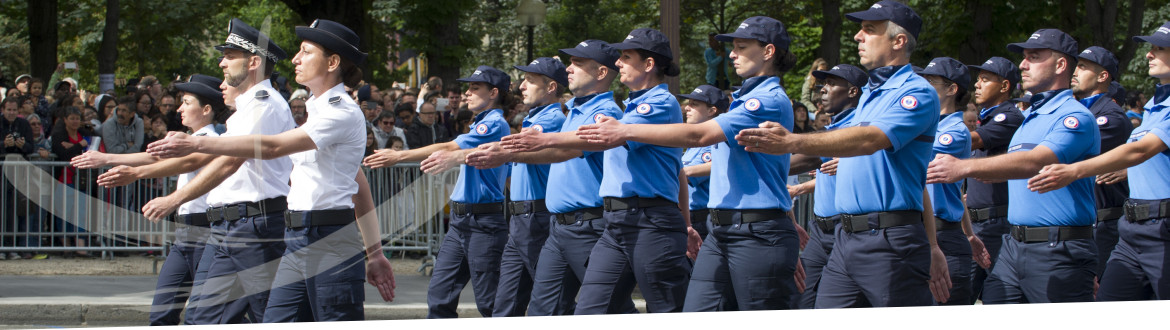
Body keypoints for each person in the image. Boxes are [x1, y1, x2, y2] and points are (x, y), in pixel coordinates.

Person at [146, 19, 396, 322]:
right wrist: (375, 252)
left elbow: (272, 148)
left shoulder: (341, 111)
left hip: (329, 239)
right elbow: (359, 183)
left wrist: (197, 145)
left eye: (305, 52)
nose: (295, 59)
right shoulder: (318, 113)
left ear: (332, 62)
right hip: (296, 236)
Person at [578, 18, 808, 311]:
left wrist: (624, 130)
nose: (732, 54)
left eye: (741, 47)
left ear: (768, 52)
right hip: (723, 231)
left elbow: (701, 135)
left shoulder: (766, 101)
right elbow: (765, 172)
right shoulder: (744, 99)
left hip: (757, 233)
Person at [735, 1, 951, 307]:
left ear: (899, 41)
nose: (857, 37)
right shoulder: (873, 94)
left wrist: (792, 140)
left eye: (869, 30)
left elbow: (870, 140)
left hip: (890, 241)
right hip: (845, 238)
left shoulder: (916, 92)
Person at [97, 18, 294, 324]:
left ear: (254, 61)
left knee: (269, 318)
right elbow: (218, 160)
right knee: (201, 318)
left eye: (230, 56)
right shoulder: (246, 110)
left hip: (255, 226)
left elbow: (229, 162)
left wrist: (174, 198)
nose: (222, 63)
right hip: (232, 226)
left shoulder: (264, 105)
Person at [926, 28, 1099, 303]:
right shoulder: (1030, 117)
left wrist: (965, 167)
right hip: (1013, 247)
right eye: (1024, 57)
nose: (1023, 64)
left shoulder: (1075, 116)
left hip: (1058, 249)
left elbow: (1036, 161)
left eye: (1034, 57)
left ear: (1061, 64)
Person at [468, 39, 638, 316]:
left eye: (578, 63)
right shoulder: (574, 111)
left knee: (610, 308)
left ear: (602, 73)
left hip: (588, 224)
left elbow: (562, 149)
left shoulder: (604, 113)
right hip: (559, 228)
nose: (569, 69)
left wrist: (506, 152)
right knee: (542, 310)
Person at [546, 27, 697, 314]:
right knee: (591, 310)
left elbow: (606, 137)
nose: (618, 63)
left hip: (650, 221)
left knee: (667, 311)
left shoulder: (660, 104)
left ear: (649, 65)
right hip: (618, 222)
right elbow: (678, 169)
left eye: (626, 57)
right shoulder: (631, 109)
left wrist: (540, 140)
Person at [1027, 21, 1170, 301]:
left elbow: (1142, 150)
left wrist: (1074, 170)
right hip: (1132, 230)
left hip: (1163, 228)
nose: (1148, 55)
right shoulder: (1156, 104)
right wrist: (1130, 170)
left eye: (1159, 48)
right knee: (1107, 310)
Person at [72, 74, 229, 325]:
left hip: (206, 230)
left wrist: (123, 167)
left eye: (187, 102)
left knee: (202, 316)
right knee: (162, 312)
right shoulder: (189, 139)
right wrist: (106, 158)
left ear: (207, 109)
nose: (180, 108)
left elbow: (176, 162)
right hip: (185, 233)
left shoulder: (214, 141)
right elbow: (153, 157)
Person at [363, 65, 512, 318]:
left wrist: (400, 156)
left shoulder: (494, 124)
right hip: (461, 221)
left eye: (475, 88)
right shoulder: (482, 123)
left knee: (490, 303)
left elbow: (449, 146)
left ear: (494, 93)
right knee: (440, 296)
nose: (467, 93)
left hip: (483, 222)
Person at [481, 57, 568, 317]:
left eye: (530, 80)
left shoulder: (551, 119)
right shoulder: (535, 118)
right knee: (505, 306)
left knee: (551, 305)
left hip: (537, 218)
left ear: (551, 87)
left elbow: (517, 150)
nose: (521, 86)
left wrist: (463, 154)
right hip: (522, 218)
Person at [785, 63, 867, 309]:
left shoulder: (863, 128)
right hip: (819, 231)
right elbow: (814, 166)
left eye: (831, 84)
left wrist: (855, 159)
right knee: (803, 299)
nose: (823, 89)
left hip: (851, 229)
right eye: (822, 84)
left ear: (853, 91)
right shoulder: (831, 128)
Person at [916, 57, 992, 305]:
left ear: (951, 89)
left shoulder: (954, 132)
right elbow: (955, 193)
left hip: (943, 238)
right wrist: (970, 233)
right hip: (925, 234)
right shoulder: (928, 125)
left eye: (931, 81)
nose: (923, 85)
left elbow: (917, 166)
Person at [962, 56, 1023, 303]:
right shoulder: (987, 118)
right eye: (978, 79)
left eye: (985, 79)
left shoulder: (1008, 117)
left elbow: (972, 141)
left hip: (996, 225)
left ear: (1005, 86)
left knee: (999, 299)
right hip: (978, 223)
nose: (977, 84)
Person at [1071, 46, 1134, 280]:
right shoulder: (1081, 111)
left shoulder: (1111, 117)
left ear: (1103, 76)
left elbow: (1069, 151)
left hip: (1105, 223)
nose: (1075, 72)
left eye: (1083, 66)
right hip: (1086, 222)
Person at [675, 85, 727, 241]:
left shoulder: (716, 143)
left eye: (694, 104)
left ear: (712, 111)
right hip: (688, 217)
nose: (687, 108)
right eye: (688, 103)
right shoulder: (693, 146)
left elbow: (687, 175)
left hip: (701, 221)